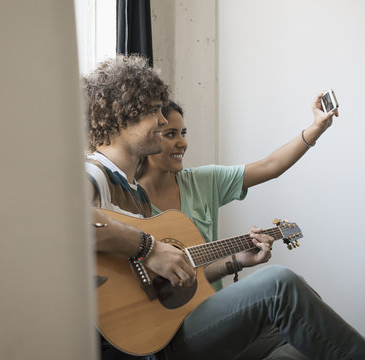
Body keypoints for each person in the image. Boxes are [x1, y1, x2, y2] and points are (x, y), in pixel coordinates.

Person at [83, 54, 365, 360]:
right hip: (145, 350)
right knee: (279, 284)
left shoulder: (134, 192)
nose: (164, 120)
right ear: (124, 116)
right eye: (155, 112)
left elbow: (159, 283)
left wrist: (234, 261)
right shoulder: (94, 172)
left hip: (164, 330)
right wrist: (147, 247)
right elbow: (67, 221)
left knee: (298, 336)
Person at [135, 99, 339, 359]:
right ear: (146, 138)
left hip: (217, 316)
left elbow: (269, 166)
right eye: (171, 134)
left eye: (183, 133)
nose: (182, 143)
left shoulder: (202, 181)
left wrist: (316, 128)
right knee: (285, 287)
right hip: (170, 333)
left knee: (307, 330)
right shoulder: (127, 202)